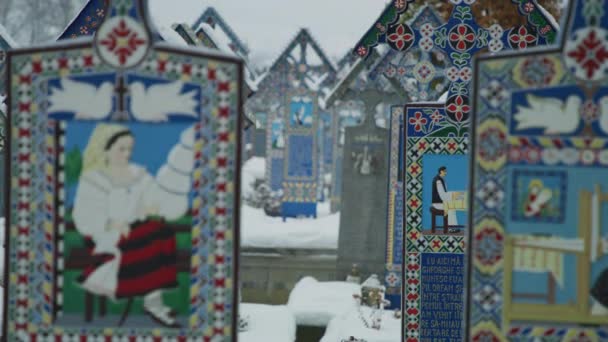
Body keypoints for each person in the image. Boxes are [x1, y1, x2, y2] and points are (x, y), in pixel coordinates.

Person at [72, 123, 180, 328]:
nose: (127, 153)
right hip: (104, 234)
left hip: (135, 229)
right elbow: (83, 216)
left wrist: (151, 206)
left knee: (162, 234)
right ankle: (152, 302)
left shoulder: (137, 174)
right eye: (121, 148)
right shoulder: (94, 179)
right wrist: (111, 222)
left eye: (129, 148)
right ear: (106, 148)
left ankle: (153, 301)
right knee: (146, 240)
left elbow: (154, 198)